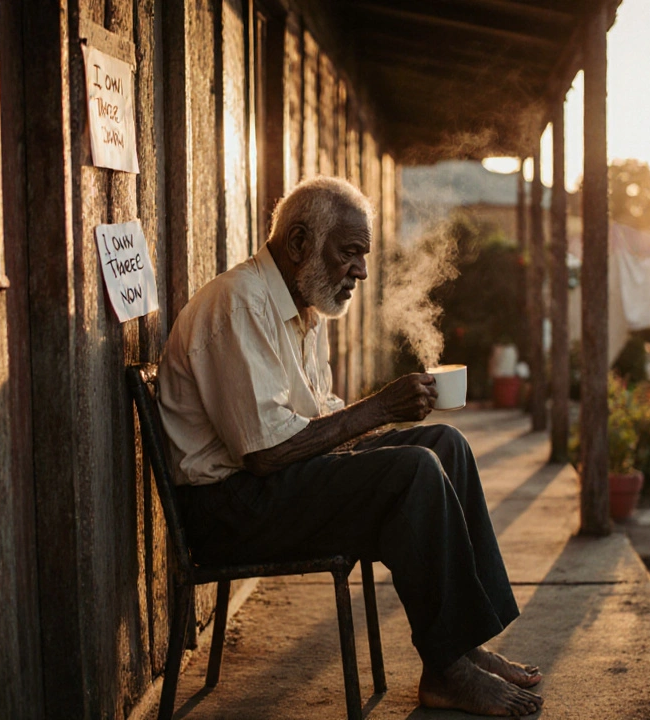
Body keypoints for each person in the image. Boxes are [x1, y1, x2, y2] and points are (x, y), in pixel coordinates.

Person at [158, 176, 543, 716]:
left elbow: (317, 422)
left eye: (363, 255)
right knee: (413, 471)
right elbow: (264, 453)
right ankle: (447, 670)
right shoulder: (239, 303)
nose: (360, 270)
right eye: (350, 253)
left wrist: (386, 428)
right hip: (229, 507)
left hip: (269, 488)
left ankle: (462, 645)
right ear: (298, 244)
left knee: (443, 445)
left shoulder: (304, 309)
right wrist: (379, 411)